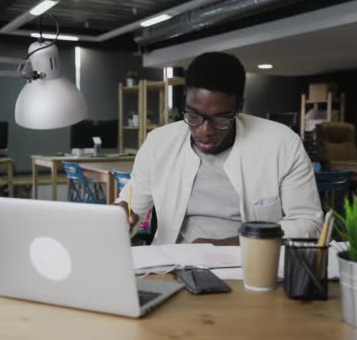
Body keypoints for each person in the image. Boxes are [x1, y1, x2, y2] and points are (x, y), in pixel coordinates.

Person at [115, 52, 322, 245]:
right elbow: (132, 205)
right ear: (185, 98)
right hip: (172, 265)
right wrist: (122, 217)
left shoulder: (282, 143)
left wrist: (228, 245)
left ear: (239, 106)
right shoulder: (158, 143)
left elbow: (308, 224)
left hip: (251, 266)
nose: (205, 130)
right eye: (193, 116)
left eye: (220, 119)